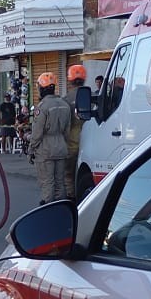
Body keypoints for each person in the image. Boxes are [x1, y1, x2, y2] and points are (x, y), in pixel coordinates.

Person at [29, 72, 73, 205]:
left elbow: (37, 133)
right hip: (61, 148)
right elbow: (67, 130)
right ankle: (61, 210)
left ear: (41, 88)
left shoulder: (42, 107)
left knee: (47, 183)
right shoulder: (64, 105)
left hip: (45, 150)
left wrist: (31, 149)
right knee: (60, 183)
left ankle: (48, 213)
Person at [63, 64, 87, 200]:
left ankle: (71, 200)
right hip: (91, 141)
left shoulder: (66, 100)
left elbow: (65, 125)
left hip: (72, 143)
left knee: (69, 174)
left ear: (70, 80)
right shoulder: (93, 95)